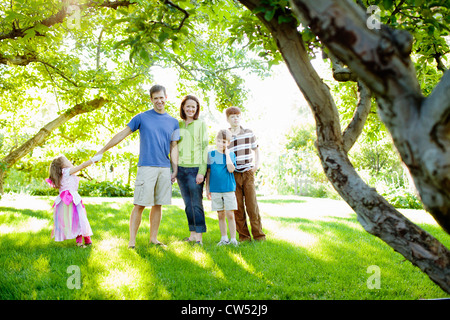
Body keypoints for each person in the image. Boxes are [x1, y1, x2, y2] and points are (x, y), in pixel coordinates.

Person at [94, 84, 180, 248]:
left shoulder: (173, 122)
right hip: (146, 167)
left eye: (162, 97)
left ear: (166, 97)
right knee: (139, 204)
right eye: (156, 98)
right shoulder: (141, 118)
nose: (159, 101)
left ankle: (153, 239)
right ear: (151, 100)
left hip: (164, 168)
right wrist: (103, 149)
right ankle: (131, 242)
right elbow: (122, 134)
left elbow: (173, 146)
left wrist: (174, 169)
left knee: (158, 204)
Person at [225, 106, 266, 242]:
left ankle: (259, 236)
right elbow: (224, 153)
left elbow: (256, 150)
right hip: (233, 175)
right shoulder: (226, 135)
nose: (235, 118)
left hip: (248, 173)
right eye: (232, 116)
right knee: (238, 208)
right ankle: (244, 237)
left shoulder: (249, 133)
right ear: (228, 119)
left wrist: (256, 165)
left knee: (252, 205)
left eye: (237, 116)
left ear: (240, 117)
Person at [46, 154, 102, 247]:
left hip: (65, 201)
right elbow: (82, 166)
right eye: (67, 160)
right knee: (80, 220)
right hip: (71, 200)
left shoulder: (61, 174)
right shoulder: (67, 171)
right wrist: (92, 160)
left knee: (78, 220)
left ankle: (86, 240)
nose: (69, 161)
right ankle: (81, 242)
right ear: (63, 165)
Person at [177, 95, 208, 246]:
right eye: (188, 106)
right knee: (188, 204)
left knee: (196, 203)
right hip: (181, 170)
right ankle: (192, 235)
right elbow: (174, 147)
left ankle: (199, 239)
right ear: (183, 107)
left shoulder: (201, 124)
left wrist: (202, 171)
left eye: (193, 107)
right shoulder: (178, 125)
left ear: (197, 109)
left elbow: (204, 148)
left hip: (195, 168)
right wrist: (174, 169)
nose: (190, 109)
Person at [205, 129, 238, 246]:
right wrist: (207, 188)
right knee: (220, 214)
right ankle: (224, 238)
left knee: (230, 214)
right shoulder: (211, 154)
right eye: (219, 141)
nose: (221, 144)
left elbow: (231, 169)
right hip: (215, 189)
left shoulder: (231, 155)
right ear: (215, 141)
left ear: (228, 143)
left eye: (224, 142)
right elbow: (208, 172)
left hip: (228, 188)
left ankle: (233, 239)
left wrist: (227, 154)